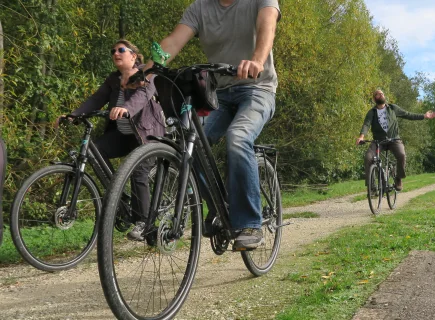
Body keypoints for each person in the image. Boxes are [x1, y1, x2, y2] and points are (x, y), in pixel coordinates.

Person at [145, 0, 281, 250]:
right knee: (189, 143)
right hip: (219, 95)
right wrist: (148, 69)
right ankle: (219, 207)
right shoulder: (200, 8)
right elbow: (174, 41)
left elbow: (267, 27)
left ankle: (251, 222)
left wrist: (257, 60)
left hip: (258, 89)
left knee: (238, 137)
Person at [55, 39, 165, 241]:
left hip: (147, 134)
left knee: (139, 172)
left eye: (121, 50)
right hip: (123, 135)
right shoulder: (113, 80)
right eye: (112, 50)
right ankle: (119, 196)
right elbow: (97, 99)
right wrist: (74, 115)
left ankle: (144, 223)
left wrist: (127, 109)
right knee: (94, 151)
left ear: (133, 55)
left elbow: (142, 95)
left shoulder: (147, 73)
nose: (116, 52)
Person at [356, 89, 435, 191]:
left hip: (394, 139)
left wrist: (424, 116)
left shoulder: (392, 108)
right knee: (368, 157)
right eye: (378, 94)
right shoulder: (371, 112)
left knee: (401, 155)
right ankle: (371, 186)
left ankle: (398, 178)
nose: (381, 95)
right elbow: (366, 124)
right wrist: (362, 136)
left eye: (382, 93)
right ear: (374, 98)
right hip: (378, 141)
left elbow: (408, 114)